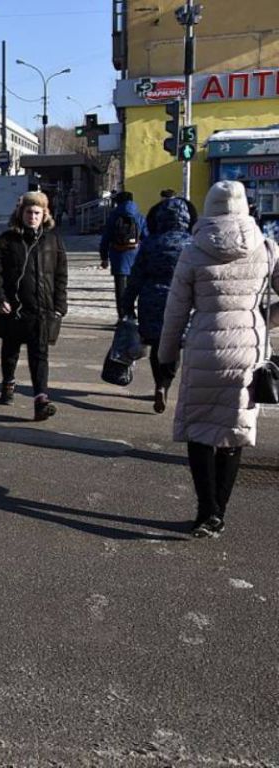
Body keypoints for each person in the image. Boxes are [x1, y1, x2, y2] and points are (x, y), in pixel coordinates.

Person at [158, 180, 279, 539]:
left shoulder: (193, 250)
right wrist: (261, 317)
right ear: (245, 207)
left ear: (209, 208)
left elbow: (175, 311)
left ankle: (205, 510)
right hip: (248, 350)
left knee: (200, 430)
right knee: (234, 430)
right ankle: (219, 514)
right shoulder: (268, 248)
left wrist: (166, 357)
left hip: (204, 346)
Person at [0, 190, 68, 421]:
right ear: (21, 213)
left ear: (44, 215)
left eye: (37, 213)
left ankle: (41, 399)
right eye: (29, 212)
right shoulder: (6, 240)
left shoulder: (53, 240)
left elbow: (60, 275)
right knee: (11, 351)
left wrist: (60, 305)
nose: (33, 216)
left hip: (42, 310)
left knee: (40, 356)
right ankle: (8, 383)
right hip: (13, 309)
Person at [120, 196, 193, 413]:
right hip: (180, 302)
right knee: (174, 345)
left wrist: (127, 304)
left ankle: (157, 383)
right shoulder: (191, 244)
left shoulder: (150, 243)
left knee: (156, 345)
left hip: (150, 300)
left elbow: (136, 276)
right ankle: (165, 384)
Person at [99, 191, 149, 320]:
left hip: (118, 256)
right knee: (136, 288)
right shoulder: (139, 216)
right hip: (136, 257)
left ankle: (123, 316)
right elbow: (146, 237)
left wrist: (104, 257)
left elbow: (105, 238)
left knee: (121, 290)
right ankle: (134, 314)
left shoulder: (113, 216)